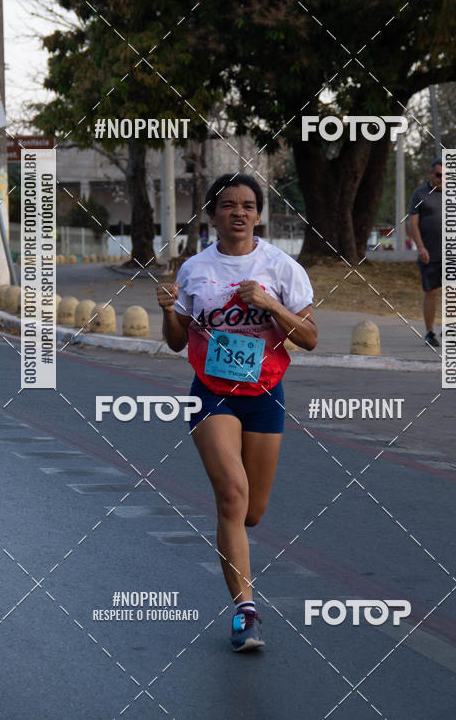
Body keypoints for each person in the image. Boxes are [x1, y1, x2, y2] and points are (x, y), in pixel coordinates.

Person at [156, 173, 317, 652]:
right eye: (228, 205)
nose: (239, 213)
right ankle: (246, 613)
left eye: (248, 205)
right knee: (231, 494)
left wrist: (270, 306)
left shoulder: (281, 268)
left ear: (259, 214)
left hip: (266, 393)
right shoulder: (194, 270)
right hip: (210, 393)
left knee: (252, 512)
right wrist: (168, 312)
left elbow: (308, 338)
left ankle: (239, 550)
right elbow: (177, 341)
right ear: (212, 215)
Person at [408, 159, 443, 347]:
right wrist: (420, 247)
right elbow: (413, 223)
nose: (442, 179)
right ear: (431, 174)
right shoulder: (419, 194)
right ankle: (430, 332)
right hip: (429, 252)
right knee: (431, 291)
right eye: (438, 175)